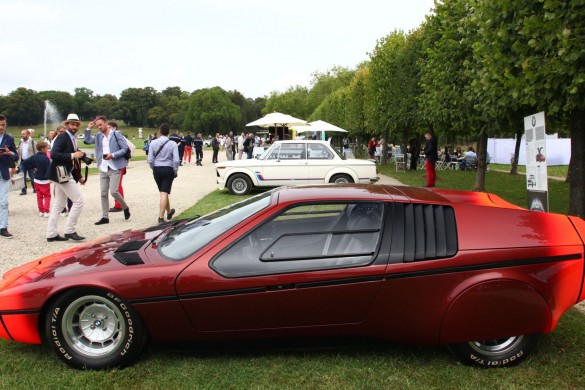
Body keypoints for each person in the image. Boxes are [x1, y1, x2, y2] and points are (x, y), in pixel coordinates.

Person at [46, 113, 87, 242]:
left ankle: (51, 233)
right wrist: (72, 155)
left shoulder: (71, 138)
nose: (74, 126)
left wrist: (78, 174)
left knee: (59, 204)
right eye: (72, 124)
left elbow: (71, 158)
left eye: (76, 124)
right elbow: (54, 154)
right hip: (61, 174)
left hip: (62, 173)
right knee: (78, 201)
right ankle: (70, 230)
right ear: (67, 124)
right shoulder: (63, 137)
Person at [84, 116, 131, 225]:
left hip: (114, 167)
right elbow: (87, 140)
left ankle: (125, 207)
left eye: (100, 125)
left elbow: (125, 149)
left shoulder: (116, 134)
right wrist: (88, 129)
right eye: (97, 126)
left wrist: (113, 155)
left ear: (106, 123)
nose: (99, 127)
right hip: (103, 167)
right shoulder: (98, 136)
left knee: (114, 191)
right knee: (103, 193)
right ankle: (105, 217)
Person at [147, 123, 179, 224]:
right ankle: (161, 217)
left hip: (157, 168)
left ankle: (169, 212)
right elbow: (176, 160)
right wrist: (175, 170)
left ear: (160, 131)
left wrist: (153, 168)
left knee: (163, 192)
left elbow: (150, 159)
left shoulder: (153, 143)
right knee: (164, 193)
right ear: (168, 132)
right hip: (168, 168)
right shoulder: (173, 144)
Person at [0, 114, 19, 238]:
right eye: (0, 125)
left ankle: (3, 227)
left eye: (3, 125)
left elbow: (16, 156)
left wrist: (10, 152)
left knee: (3, 202)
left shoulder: (9, 139)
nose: (1, 127)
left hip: (3, 173)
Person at [21, 141, 51, 217]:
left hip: (36, 179)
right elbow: (49, 169)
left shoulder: (34, 157)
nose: (47, 149)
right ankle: (46, 211)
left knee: (39, 196)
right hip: (45, 180)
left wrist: (32, 168)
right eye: (46, 148)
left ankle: (41, 211)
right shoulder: (46, 159)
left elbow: (24, 163)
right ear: (42, 149)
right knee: (47, 196)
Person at [107, 121, 126, 213]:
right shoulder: (110, 137)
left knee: (117, 185)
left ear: (114, 128)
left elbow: (130, 147)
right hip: (113, 164)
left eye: (110, 127)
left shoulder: (118, 136)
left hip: (118, 164)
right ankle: (119, 204)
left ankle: (119, 205)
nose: (108, 129)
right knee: (116, 185)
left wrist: (126, 160)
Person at [17, 129, 36, 195]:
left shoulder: (33, 142)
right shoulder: (21, 142)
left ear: (28, 134)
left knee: (32, 176)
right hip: (23, 162)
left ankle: (35, 188)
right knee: (22, 176)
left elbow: (36, 152)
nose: (22, 135)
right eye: (21, 134)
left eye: (23, 134)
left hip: (31, 162)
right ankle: (24, 190)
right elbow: (19, 152)